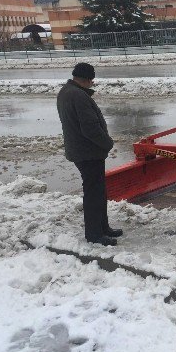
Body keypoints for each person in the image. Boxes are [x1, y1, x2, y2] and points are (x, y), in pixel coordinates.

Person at [57, 63, 122, 246]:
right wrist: (107, 143)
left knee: (98, 191)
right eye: (91, 80)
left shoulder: (66, 92)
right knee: (94, 193)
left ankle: (103, 227)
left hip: (82, 150)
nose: (92, 83)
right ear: (86, 79)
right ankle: (94, 234)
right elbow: (90, 128)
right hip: (88, 152)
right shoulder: (79, 96)